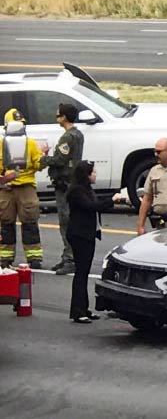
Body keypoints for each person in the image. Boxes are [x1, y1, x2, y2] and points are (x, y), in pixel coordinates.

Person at [66, 160, 115, 323]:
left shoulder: (85, 189)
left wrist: (112, 199)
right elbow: (92, 206)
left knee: (84, 272)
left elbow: (97, 202)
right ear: (86, 175)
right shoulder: (77, 191)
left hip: (86, 235)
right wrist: (113, 200)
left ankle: (84, 308)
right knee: (81, 273)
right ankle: (77, 311)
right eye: (93, 172)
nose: (95, 174)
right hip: (80, 236)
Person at [39, 103, 84, 275]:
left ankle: (70, 258)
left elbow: (59, 160)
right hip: (72, 183)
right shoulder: (78, 135)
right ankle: (68, 256)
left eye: (58, 115)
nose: (56, 117)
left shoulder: (67, 138)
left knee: (65, 222)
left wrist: (43, 156)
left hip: (64, 185)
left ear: (64, 117)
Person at [0, 109, 44, 269]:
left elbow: (38, 164)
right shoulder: (1, 144)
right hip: (7, 188)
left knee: (30, 222)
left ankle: (34, 258)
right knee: (6, 223)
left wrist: (43, 158)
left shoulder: (30, 143)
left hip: (26, 188)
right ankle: (5, 258)